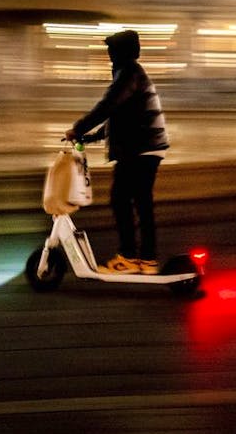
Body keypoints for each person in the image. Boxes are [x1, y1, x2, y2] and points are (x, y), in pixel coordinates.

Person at [64, 29, 169, 275]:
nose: (108, 54)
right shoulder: (132, 73)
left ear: (120, 52)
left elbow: (107, 106)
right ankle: (148, 260)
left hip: (140, 149)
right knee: (141, 203)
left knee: (120, 199)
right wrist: (90, 137)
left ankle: (129, 257)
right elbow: (119, 116)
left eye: (111, 49)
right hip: (146, 147)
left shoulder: (128, 73)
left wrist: (78, 128)